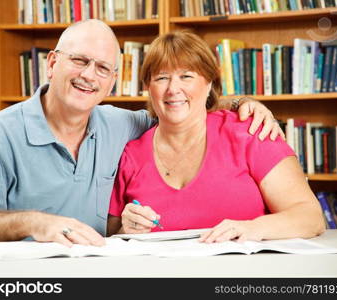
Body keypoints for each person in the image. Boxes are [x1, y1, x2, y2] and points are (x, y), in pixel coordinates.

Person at [0, 20, 283, 247]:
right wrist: (33, 223)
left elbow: (176, 105)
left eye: (103, 68)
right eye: (79, 60)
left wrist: (239, 102)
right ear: (51, 63)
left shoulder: (122, 125)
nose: (89, 76)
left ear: (112, 81)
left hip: (103, 271)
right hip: (28, 279)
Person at [107, 31, 325, 242]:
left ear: (209, 83)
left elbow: (310, 217)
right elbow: (112, 232)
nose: (173, 88)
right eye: (162, 78)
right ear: (148, 87)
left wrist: (251, 227)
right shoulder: (130, 155)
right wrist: (126, 229)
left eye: (186, 76)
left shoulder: (249, 131)